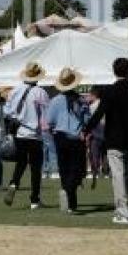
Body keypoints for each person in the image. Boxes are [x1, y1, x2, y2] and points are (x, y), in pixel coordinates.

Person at [83, 57, 128, 225]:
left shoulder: (109, 91)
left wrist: (86, 130)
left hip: (114, 139)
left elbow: (99, 113)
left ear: (114, 72)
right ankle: (125, 207)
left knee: (118, 176)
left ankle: (123, 211)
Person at [3, 62, 50, 210]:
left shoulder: (15, 90)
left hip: (20, 133)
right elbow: (45, 116)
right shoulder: (40, 92)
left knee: (21, 162)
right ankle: (34, 200)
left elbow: (7, 111)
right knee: (36, 168)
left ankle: (13, 183)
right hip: (35, 134)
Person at [46, 68, 88, 213]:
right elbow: (87, 120)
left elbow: (49, 121)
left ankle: (68, 197)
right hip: (77, 137)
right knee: (76, 169)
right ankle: (71, 198)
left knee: (64, 168)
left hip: (60, 137)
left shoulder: (55, 101)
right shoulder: (80, 100)